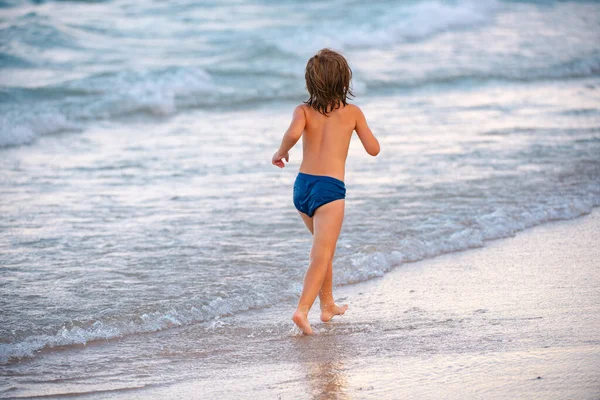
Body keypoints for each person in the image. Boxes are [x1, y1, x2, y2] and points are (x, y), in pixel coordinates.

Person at [272, 48, 380, 335]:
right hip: (330, 191)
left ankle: (328, 305)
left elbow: (293, 134)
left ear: (311, 82)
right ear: (345, 81)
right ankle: (302, 310)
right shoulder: (353, 113)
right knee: (321, 255)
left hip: (303, 187)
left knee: (324, 249)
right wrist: (359, 128)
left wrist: (282, 151)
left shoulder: (303, 110)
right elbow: (374, 149)